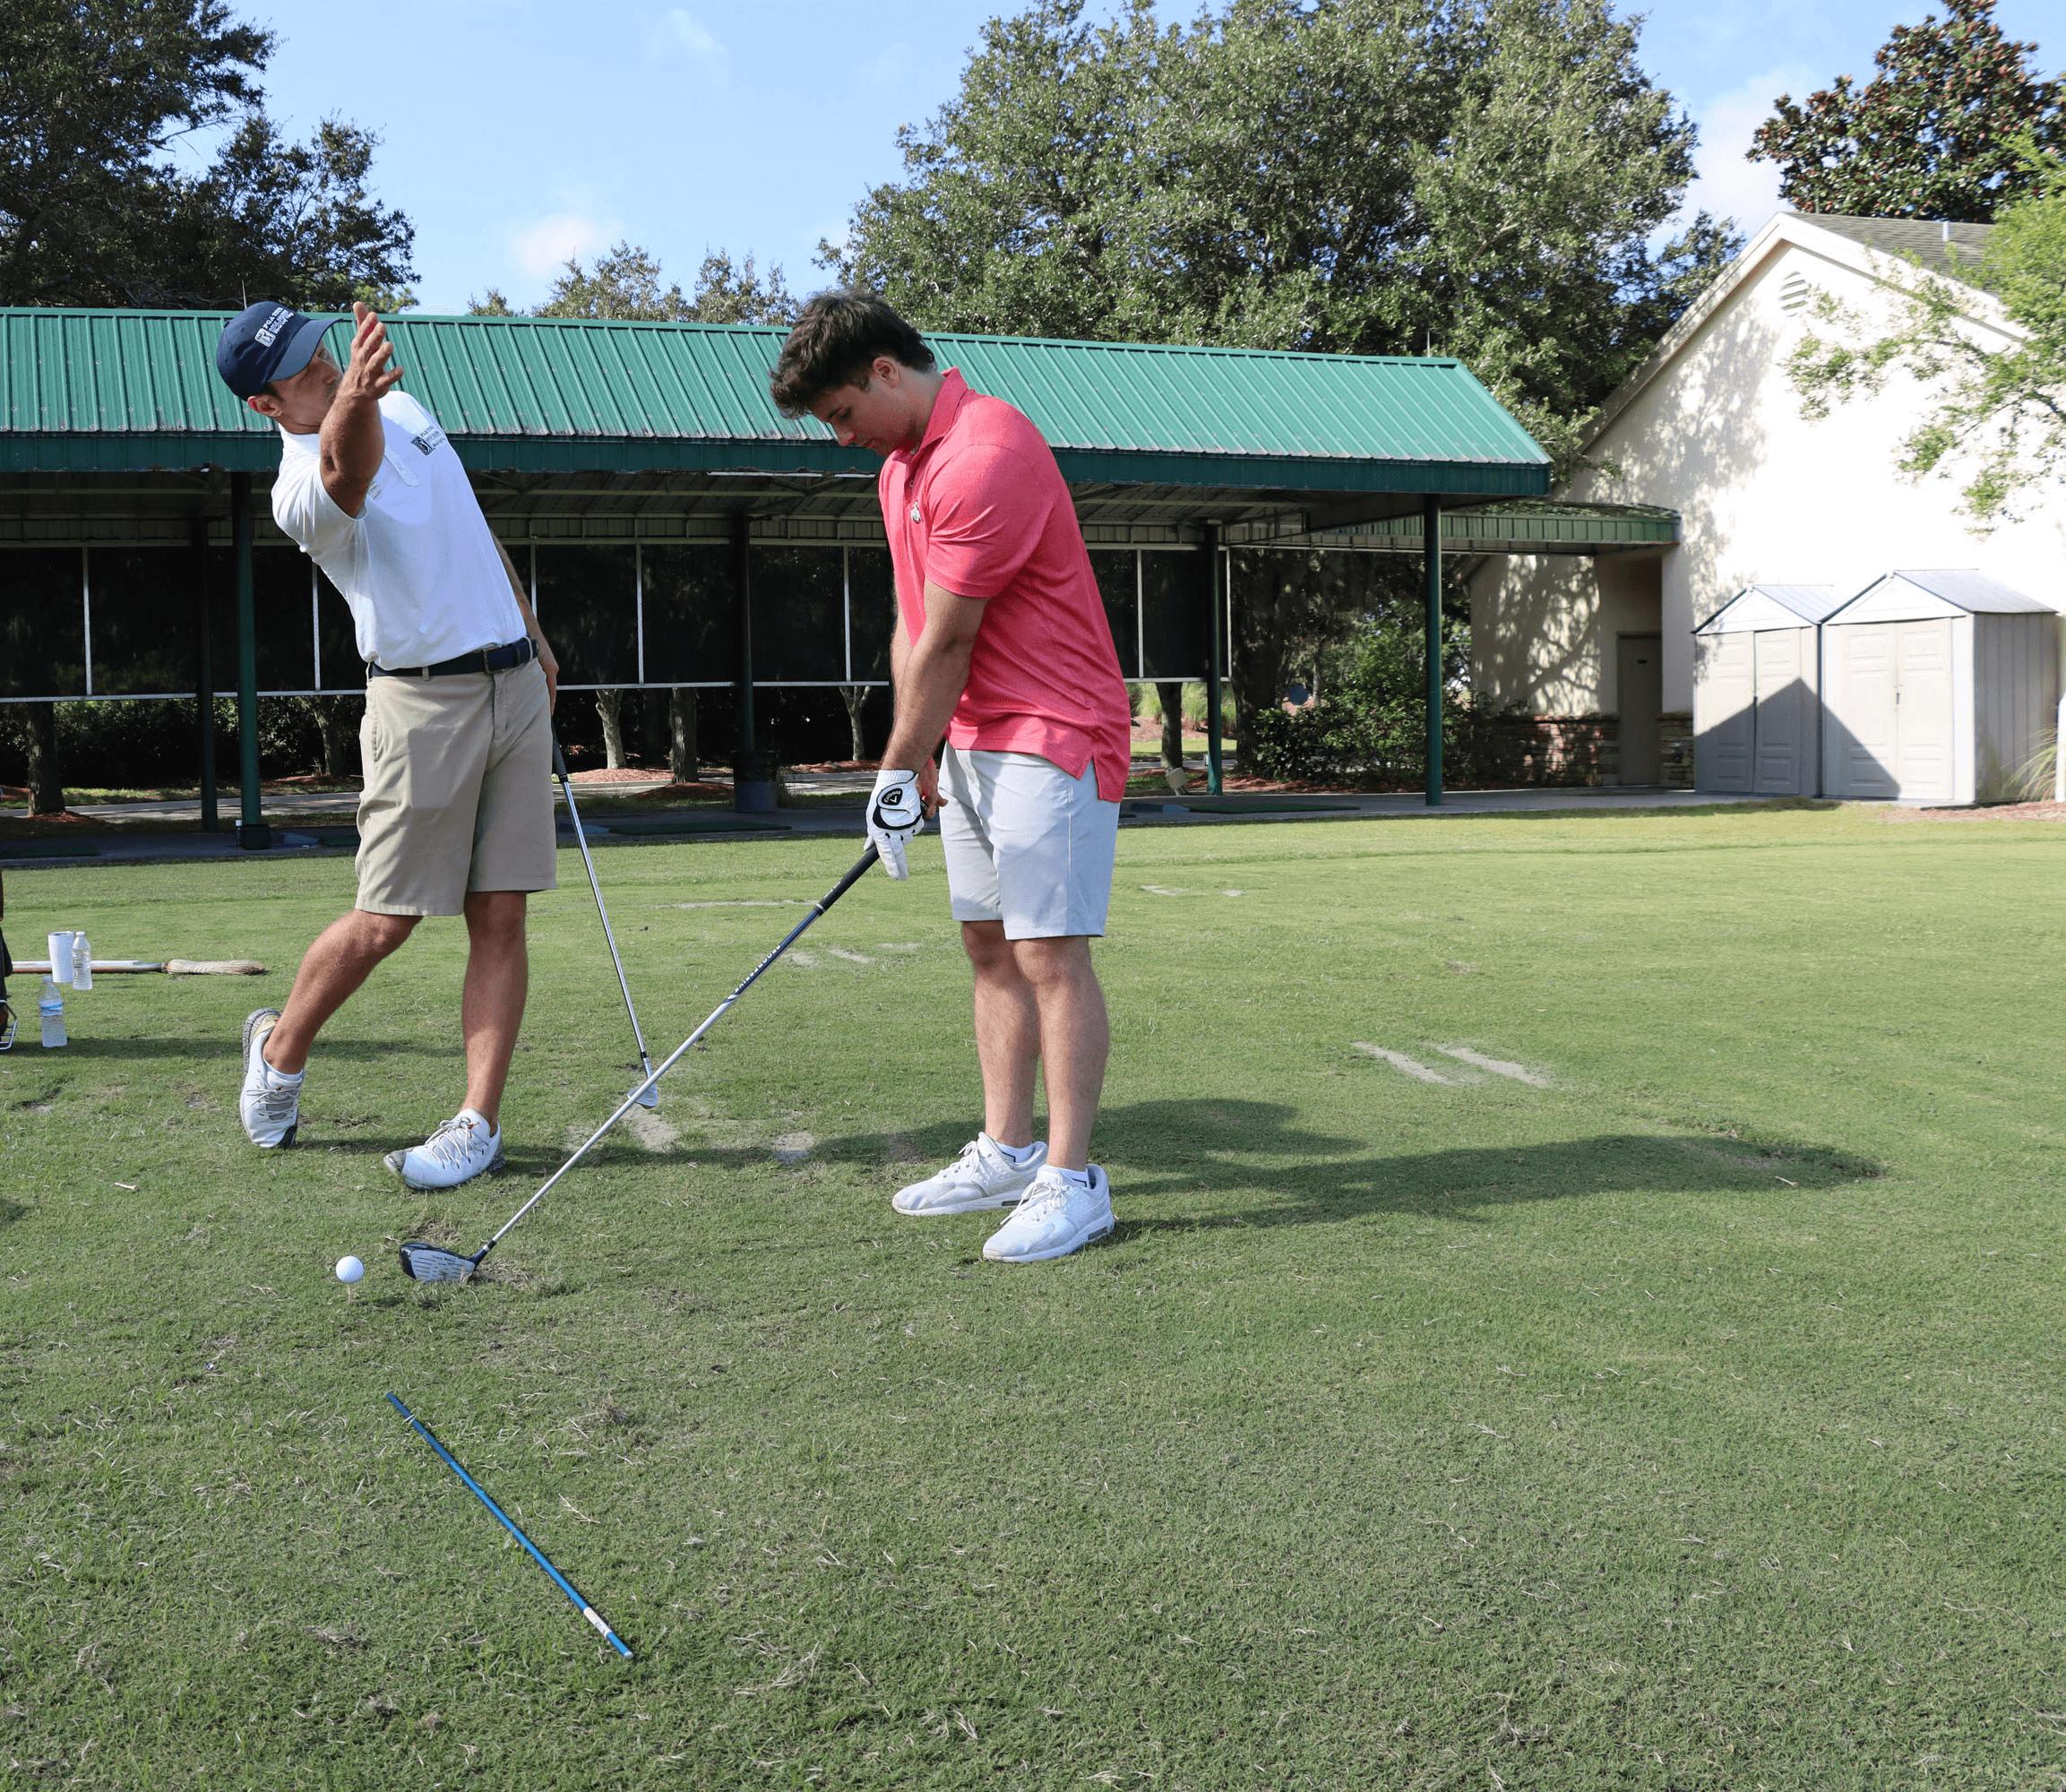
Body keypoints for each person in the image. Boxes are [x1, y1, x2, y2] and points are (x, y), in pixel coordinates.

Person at [769, 290, 1132, 1264]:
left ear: (884, 371)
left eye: (842, 413)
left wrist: (893, 769)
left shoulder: (984, 454)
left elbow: (954, 636)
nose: (842, 437)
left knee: (1049, 952)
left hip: (1052, 730)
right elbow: (913, 626)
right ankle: (1008, 1150)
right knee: (985, 943)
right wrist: (918, 757)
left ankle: (1072, 1180)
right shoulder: (900, 468)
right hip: (972, 734)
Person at [212, 300, 561, 1190]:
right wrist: (355, 400)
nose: (324, 367)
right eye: (302, 368)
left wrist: (529, 629)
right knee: (386, 920)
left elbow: (467, 526)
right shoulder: (299, 486)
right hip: (419, 703)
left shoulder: (399, 407)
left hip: (513, 684)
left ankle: (477, 1121)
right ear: (265, 405)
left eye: (322, 351)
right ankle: (281, 1050)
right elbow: (346, 475)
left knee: (502, 913)